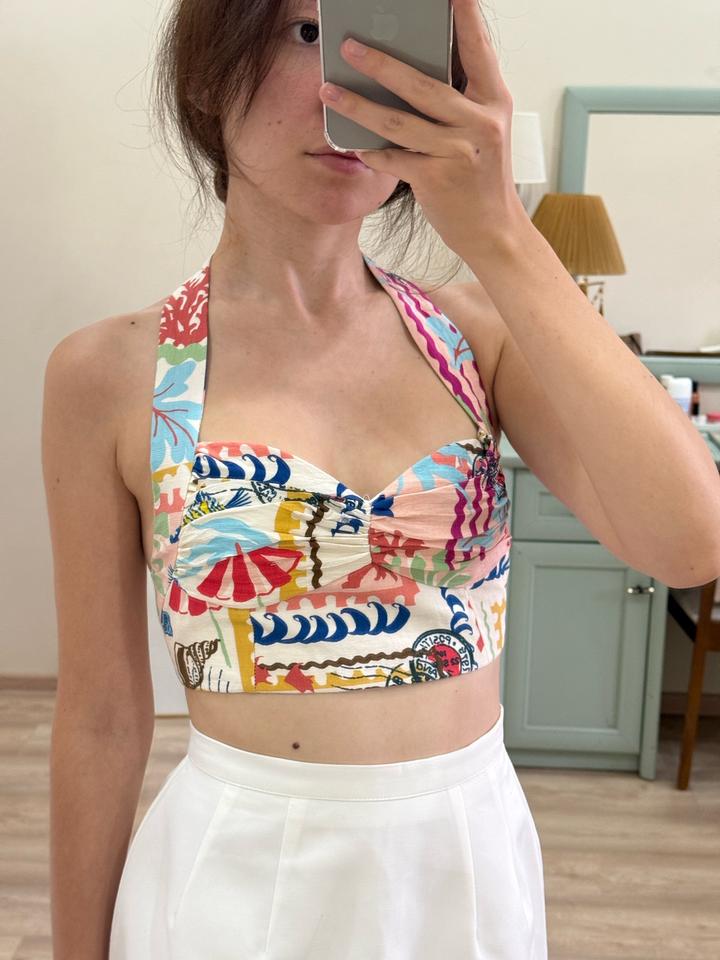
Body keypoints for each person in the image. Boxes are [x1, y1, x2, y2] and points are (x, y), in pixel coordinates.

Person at [44, 1, 549, 957]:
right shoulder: (111, 374)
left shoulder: (477, 336)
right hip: (237, 878)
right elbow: (102, 718)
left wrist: (502, 230)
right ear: (209, 72)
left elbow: (689, 538)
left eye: (392, 42)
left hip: (466, 864)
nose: (351, 84)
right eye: (308, 32)